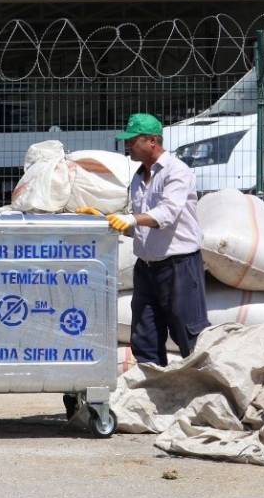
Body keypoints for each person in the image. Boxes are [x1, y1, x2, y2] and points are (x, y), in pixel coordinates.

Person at [83, 113, 209, 366]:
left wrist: (131, 219)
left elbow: (167, 213)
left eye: (133, 140)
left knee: (188, 334)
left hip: (179, 267)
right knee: (145, 337)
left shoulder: (177, 172)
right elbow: (141, 225)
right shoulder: (139, 176)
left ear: (152, 141)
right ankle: (153, 397)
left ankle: (203, 392)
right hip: (147, 270)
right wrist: (106, 221)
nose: (128, 145)